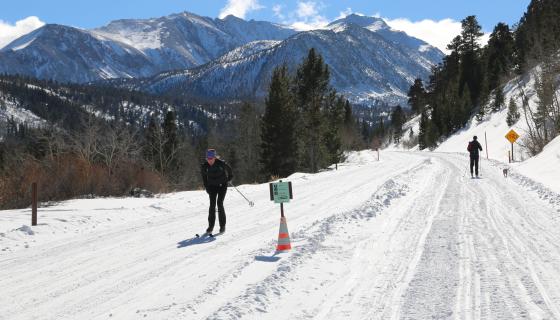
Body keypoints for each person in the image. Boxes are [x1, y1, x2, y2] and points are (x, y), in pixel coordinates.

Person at [200, 149, 233, 234]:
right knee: (212, 205)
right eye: (208, 158)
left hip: (222, 185)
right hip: (212, 186)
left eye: (211, 158)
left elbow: (230, 171)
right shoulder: (205, 166)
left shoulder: (221, 163)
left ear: (215, 157)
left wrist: (229, 179)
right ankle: (210, 226)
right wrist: (207, 188)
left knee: (219, 203)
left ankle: (222, 226)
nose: (209, 160)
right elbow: (204, 179)